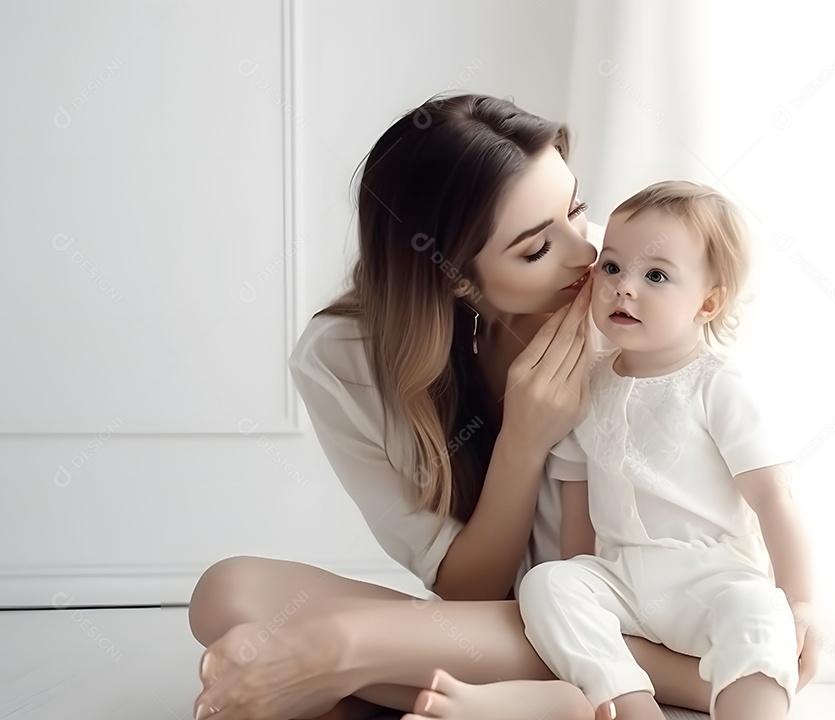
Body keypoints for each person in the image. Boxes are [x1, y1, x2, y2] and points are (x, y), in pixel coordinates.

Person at [187, 94, 755, 720]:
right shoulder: (342, 359)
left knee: (322, 643)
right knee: (227, 593)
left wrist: (347, 644)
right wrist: (523, 439)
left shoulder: (630, 301)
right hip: (500, 621)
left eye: (576, 210)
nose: (588, 255)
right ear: (455, 277)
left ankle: (348, 657)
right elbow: (465, 588)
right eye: (537, 249)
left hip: (627, 616)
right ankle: (525, 700)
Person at [509, 181, 818, 720]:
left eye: (655, 276)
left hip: (712, 581)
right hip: (624, 580)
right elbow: (577, 504)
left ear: (708, 301)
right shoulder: (587, 386)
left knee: (758, 610)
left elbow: (773, 498)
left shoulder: (717, 387)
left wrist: (800, 602)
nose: (623, 288)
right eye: (610, 268)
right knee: (548, 583)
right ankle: (629, 703)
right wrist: (581, 575)